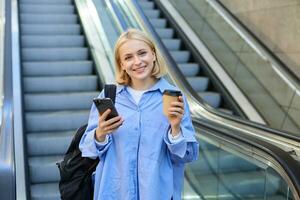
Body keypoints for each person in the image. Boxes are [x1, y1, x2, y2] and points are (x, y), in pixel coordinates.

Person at [79, 28, 199, 200]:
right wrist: (100, 133)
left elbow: (187, 155)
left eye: (142, 53)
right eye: (128, 57)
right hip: (113, 193)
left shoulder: (173, 97)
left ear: (153, 54)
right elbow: (87, 149)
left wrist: (176, 129)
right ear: (122, 64)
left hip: (158, 193)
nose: (137, 62)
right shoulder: (108, 97)